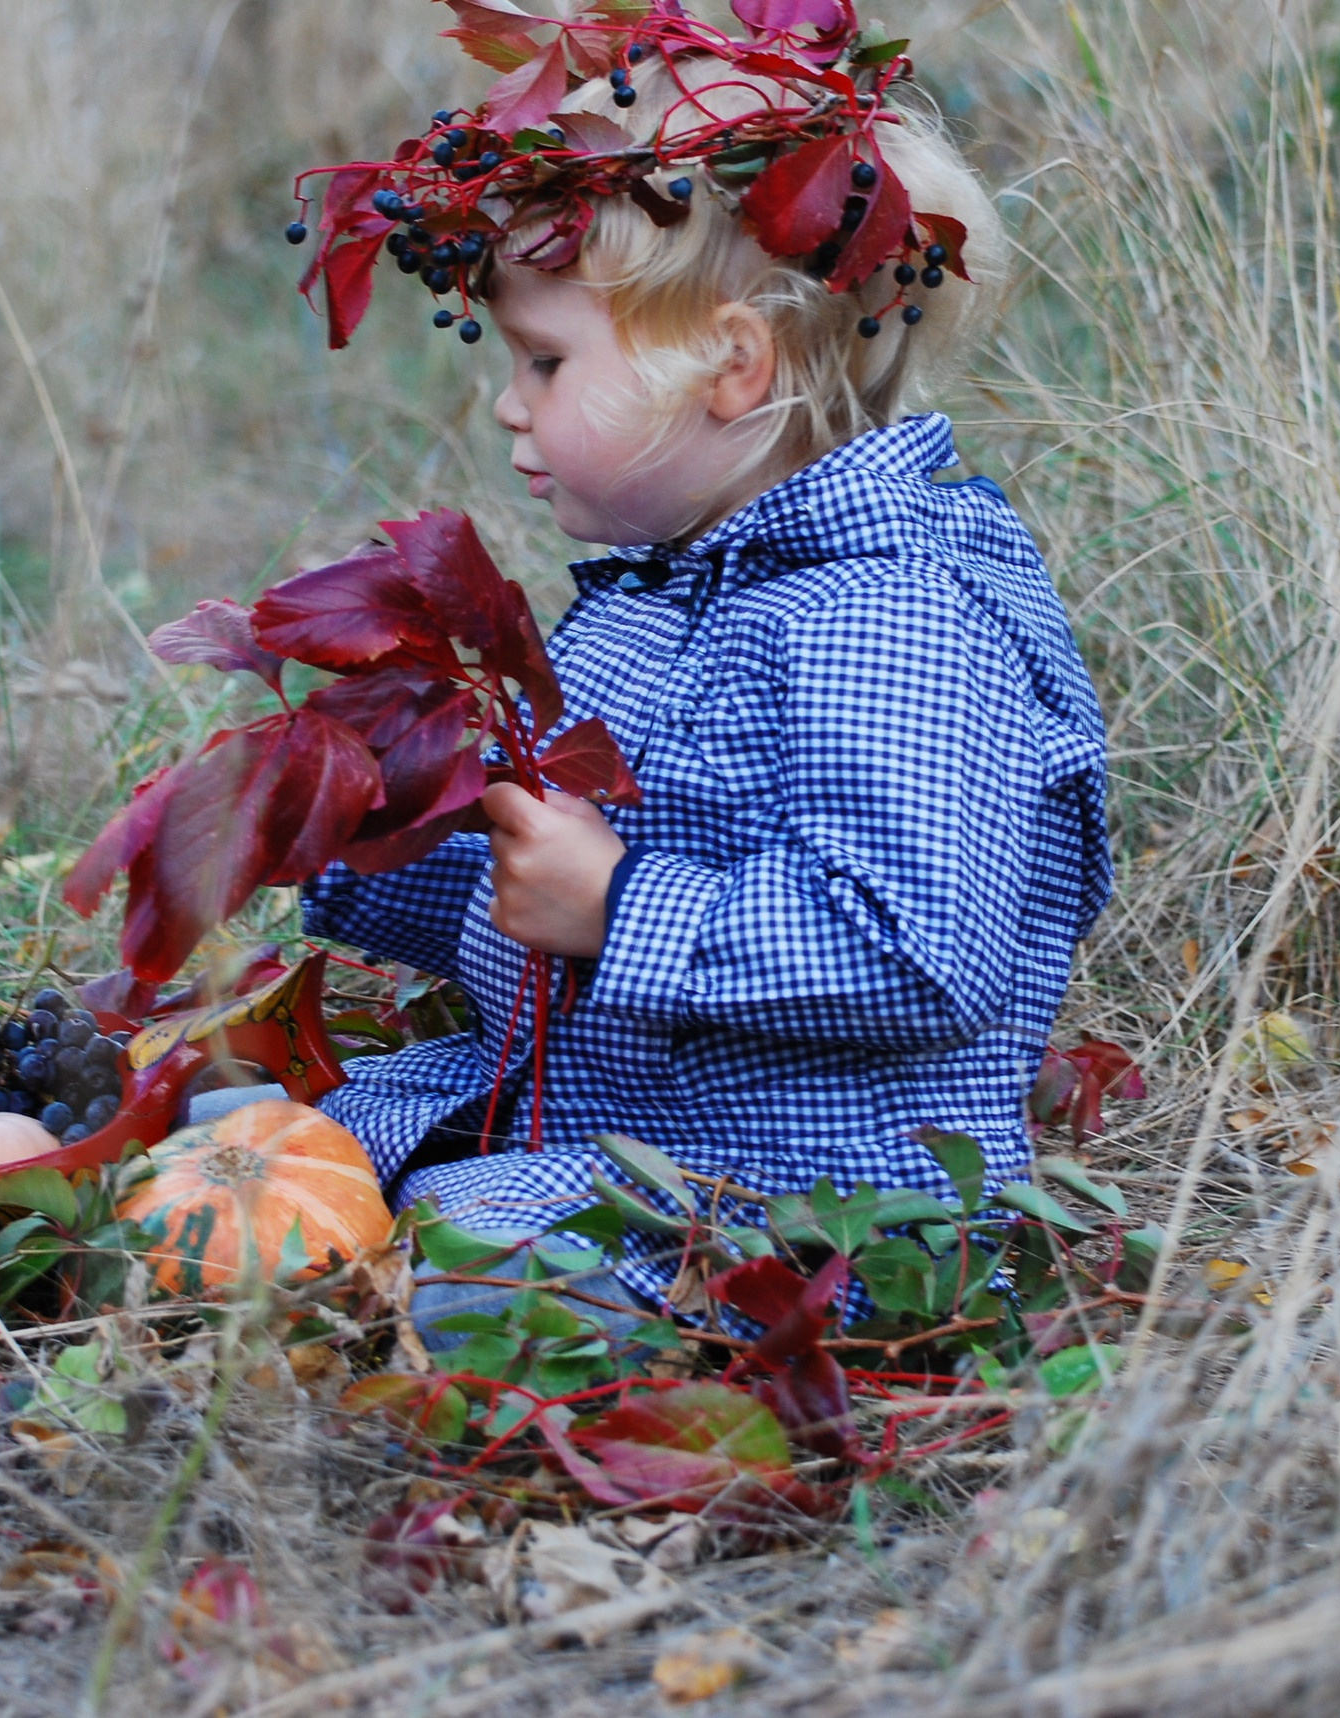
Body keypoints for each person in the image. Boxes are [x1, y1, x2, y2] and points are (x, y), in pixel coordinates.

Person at [280, 4, 1112, 1342]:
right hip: (638, 1123)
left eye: (547, 361)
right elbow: (535, 881)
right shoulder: (658, 592)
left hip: (826, 1208)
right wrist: (372, 829)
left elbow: (915, 951)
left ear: (731, 366)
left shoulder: (887, 621)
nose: (508, 400)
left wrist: (618, 905)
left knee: (453, 1271)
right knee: (288, 1156)